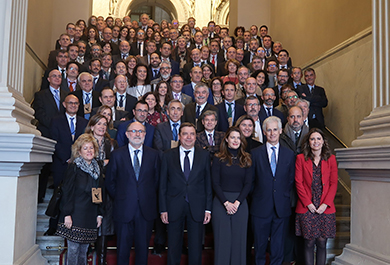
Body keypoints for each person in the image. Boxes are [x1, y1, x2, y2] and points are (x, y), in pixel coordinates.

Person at [105, 121, 161, 265]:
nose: (137, 134)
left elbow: (156, 181)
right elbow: (110, 182)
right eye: (134, 131)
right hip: (123, 209)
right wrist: (122, 197)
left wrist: (144, 196)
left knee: (142, 251)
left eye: (141, 131)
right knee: (122, 251)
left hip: (145, 210)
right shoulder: (117, 155)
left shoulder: (154, 155)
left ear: (145, 134)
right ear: (127, 134)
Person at [159, 122, 212, 265]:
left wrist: (208, 208)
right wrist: (163, 209)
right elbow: (162, 185)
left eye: (192, 134)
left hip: (197, 206)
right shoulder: (167, 155)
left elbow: (208, 183)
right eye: (185, 134)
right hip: (174, 206)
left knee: (196, 247)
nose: (189, 137)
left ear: (196, 137)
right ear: (179, 136)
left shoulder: (204, 155)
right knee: (173, 246)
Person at [251, 116, 295, 265]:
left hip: (281, 207)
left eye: (275, 129)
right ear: (264, 132)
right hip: (260, 207)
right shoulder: (255, 153)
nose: (272, 133)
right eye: (269, 130)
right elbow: (251, 180)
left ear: (281, 131)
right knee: (260, 247)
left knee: (278, 247)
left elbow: (290, 180)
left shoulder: (289, 154)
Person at [56, 134, 104, 265]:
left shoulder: (97, 168)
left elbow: (99, 192)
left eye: (91, 148)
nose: (89, 151)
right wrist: (67, 214)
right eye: (85, 148)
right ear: (79, 151)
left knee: (84, 251)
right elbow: (67, 192)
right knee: (73, 250)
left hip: (90, 215)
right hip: (75, 214)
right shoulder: (74, 167)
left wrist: (99, 214)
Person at [295, 128, 338, 265]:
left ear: (323, 142)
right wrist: (309, 204)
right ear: (308, 142)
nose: (316, 141)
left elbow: (333, 183)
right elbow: (298, 183)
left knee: (321, 242)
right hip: (307, 205)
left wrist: (325, 204)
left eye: (318, 139)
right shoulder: (301, 159)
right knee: (309, 242)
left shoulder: (331, 159)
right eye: (312, 139)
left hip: (325, 206)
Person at [211, 127, 252, 265]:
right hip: (221, 202)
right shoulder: (218, 158)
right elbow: (215, 183)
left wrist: (237, 203)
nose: (235, 140)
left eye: (238, 138)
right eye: (232, 137)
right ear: (227, 139)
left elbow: (248, 184)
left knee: (239, 242)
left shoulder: (246, 159)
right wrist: (226, 203)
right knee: (222, 242)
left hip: (240, 203)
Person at [85, 114, 118, 265]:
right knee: (89, 219)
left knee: (104, 222)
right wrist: (102, 162)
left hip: (105, 186)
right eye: (99, 124)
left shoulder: (111, 143)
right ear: (92, 126)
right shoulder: (84, 142)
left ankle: (102, 259)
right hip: (87, 187)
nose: (102, 127)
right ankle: (86, 254)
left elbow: (115, 164)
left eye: (105, 124)